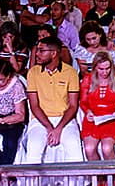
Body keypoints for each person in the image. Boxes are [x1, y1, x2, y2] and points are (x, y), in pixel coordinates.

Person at [24, 36, 83, 164]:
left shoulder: (71, 72)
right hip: (40, 120)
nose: (37, 54)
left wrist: (59, 128)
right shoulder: (33, 73)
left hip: (65, 120)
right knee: (33, 148)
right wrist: (50, 128)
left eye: (41, 51)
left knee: (74, 148)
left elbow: (73, 106)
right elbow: (34, 106)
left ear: (53, 53)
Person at [79, 52, 115, 161]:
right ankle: (99, 177)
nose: (104, 72)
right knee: (89, 149)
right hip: (94, 118)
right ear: (95, 67)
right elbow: (83, 101)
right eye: (101, 69)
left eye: (107, 68)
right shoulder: (87, 80)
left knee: (106, 148)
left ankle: (112, 177)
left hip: (112, 119)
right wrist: (87, 111)